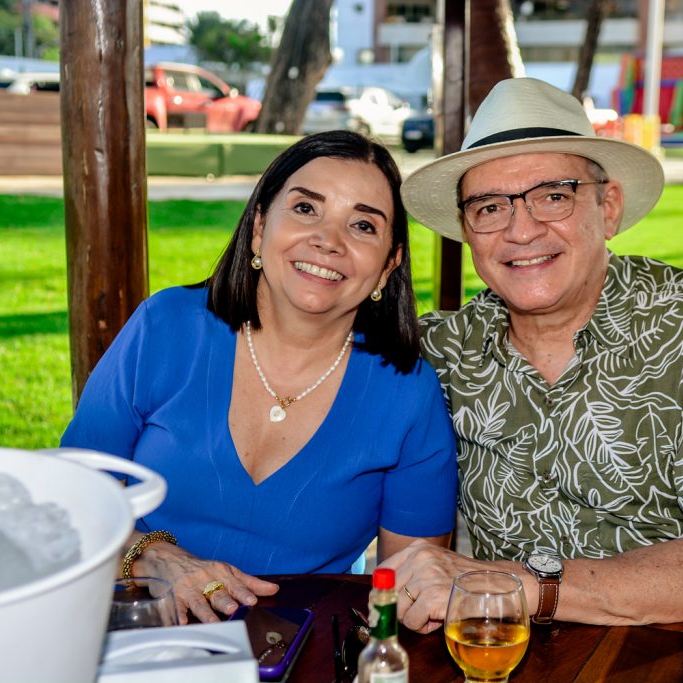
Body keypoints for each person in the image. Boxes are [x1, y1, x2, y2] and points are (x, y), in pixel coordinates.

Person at [383, 78, 683, 631]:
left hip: (667, 653)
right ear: (468, 233)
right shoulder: (444, 349)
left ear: (607, 207)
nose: (521, 230)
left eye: (552, 196)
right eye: (489, 207)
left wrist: (519, 587)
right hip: (501, 653)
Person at [61, 131, 458, 624]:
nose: (328, 241)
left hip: (299, 655)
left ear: (386, 267)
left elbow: (409, 591)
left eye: (362, 225)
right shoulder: (165, 327)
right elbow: (68, 493)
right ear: (258, 228)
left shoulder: (408, 394)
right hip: (132, 629)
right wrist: (146, 556)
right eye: (306, 209)